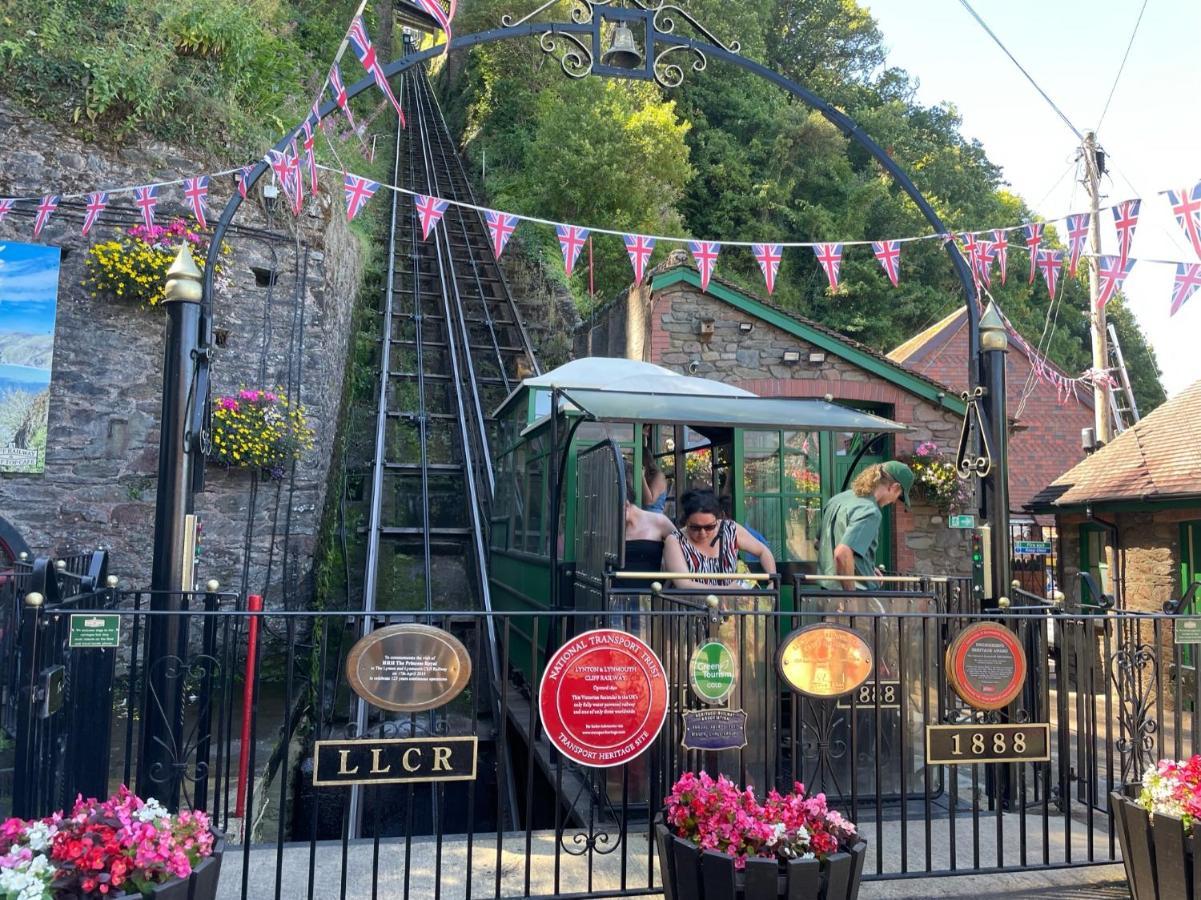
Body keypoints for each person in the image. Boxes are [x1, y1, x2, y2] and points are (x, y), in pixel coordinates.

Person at [817, 461, 913, 590]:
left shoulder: (837, 500)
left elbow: (818, 542)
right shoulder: (870, 511)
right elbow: (842, 553)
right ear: (894, 487)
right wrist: (851, 599)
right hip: (857, 596)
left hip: (825, 596)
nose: (895, 501)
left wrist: (864, 567)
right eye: (898, 496)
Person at [664, 489, 776, 590]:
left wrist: (772, 580)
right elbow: (684, 584)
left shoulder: (730, 529)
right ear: (686, 521)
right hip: (692, 608)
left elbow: (763, 551)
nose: (702, 533)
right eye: (695, 527)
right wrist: (726, 590)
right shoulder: (675, 541)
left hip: (730, 609)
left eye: (709, 527)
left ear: (717, 520)